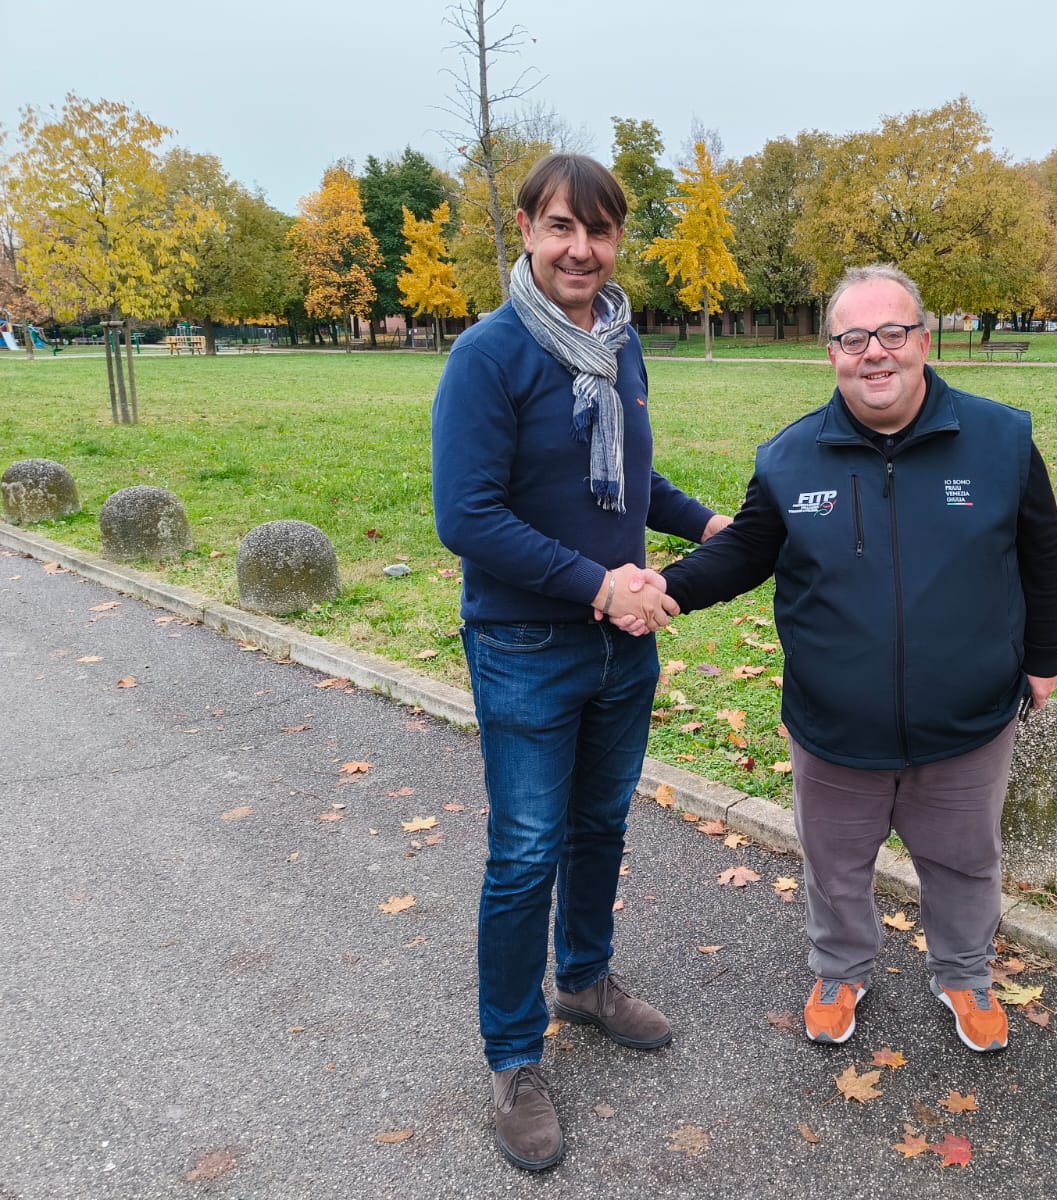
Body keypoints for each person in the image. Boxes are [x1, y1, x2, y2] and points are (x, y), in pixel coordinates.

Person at [651, 263, 1057, 1054]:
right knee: (835, 867)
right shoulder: (789, 458)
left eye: (892, 333)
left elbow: (1042, 557)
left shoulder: (1002, 440)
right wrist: (662, 592)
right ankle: (841, 968)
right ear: (831, 352)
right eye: (853, 337)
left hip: (968, 719)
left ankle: (964, 975)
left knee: (965, 865)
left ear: (924, 340)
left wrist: (1041, 655)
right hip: (834, 726)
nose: (874, 352)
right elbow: (743, 552)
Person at [430, 153, 729, 1173]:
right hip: (525, 646)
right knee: (524, 852)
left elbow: (628, 481)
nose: (581, 249)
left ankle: (586, 979)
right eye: (561, 226)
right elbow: (465, 517)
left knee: (600, 823)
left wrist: (703, 521)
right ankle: (513, 1057)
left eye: (598, 232)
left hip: (619, 644)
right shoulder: (490, 354)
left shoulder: (617, 343)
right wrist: (599, 582)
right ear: (524, 227)